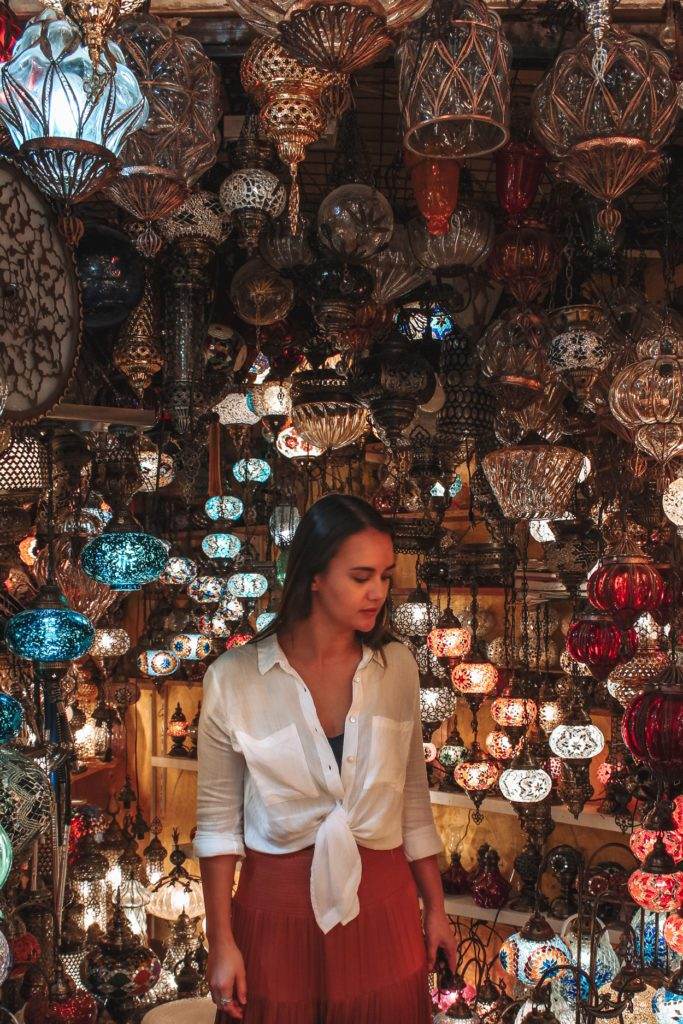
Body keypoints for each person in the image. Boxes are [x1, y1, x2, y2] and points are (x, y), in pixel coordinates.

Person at [195, 493, 456, 1023]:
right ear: (314, 575)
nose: (377, 592)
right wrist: (220, 940)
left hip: (384, 909)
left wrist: (436, 910)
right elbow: (218, 827)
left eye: (385, 576)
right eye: (361, 576)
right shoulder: (235, 678)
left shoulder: (397, 668)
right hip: (274, 915)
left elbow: (412, 801)